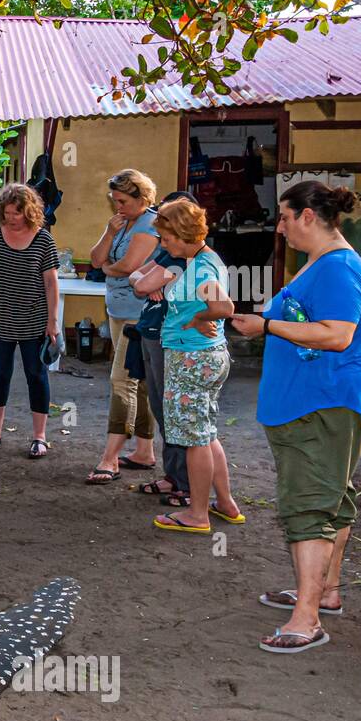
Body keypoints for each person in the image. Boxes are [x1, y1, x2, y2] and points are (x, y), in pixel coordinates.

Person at [231, 182, 361, 653]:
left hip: (323, 404)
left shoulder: (338, 269)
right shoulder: (321, 263)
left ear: (309, 217)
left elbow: (337, 335)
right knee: (331, 498)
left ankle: (307, 619)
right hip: (313, 403)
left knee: (308, 507)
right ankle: (325, 592)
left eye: (285, 216)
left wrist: (268, 325)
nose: (280, 226)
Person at [132, 199, 241, 536]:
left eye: (165, 239)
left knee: (194, 439)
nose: (163, 245)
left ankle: (197, 513)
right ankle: (224, 503)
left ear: (181, 234)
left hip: (191, 358)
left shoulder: (202, 268)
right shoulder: (200, 260)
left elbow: (224, 306)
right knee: (205, 434)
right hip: (203, 356)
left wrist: (198, 317)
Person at [0, 182, 60, 458]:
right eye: (6, 213)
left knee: (36, 375)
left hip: (34, 319)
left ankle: (40, 437)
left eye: (16, 213)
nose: (11, 218)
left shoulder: (44, 239)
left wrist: (53, 321)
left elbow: (51, 284)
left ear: (29, 211)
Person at [86, 169, 160, 484]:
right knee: (138, 382)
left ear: (142, 198)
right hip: (118, 310)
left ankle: (110, 458)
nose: (117, 206)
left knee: (122, 380)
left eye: (123, 201)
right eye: (114, 201)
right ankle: (144, 451)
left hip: (139, 314)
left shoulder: (151, 223)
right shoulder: (122, 222)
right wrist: (109, 232)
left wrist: (108, 269)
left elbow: (130, 266)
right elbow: (94, 259)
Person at [128, 191, 197, 506]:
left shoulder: (188, 257)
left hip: (170, 338)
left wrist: (149, 281)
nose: (160, 237)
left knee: (175, 411)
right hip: (150, 332)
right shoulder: (167, 253)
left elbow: (141, 283)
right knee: (160, 406)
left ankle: (186, 483)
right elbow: (135, 276)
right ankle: (173, 476)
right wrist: (148, 280)